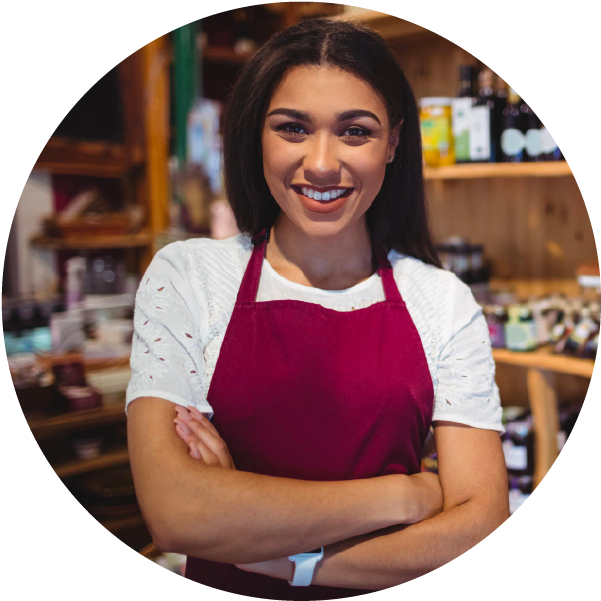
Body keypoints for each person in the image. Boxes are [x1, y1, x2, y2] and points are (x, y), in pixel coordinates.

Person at [126, 16, 509, 599]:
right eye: (293, 129)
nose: (323, 164)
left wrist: (287, 561)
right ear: (257, 134)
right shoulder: (189, 277)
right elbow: (178, 514)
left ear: (394, 143)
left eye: (356, 132)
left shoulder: (441, 300)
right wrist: (402, 496)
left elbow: (479, 526)